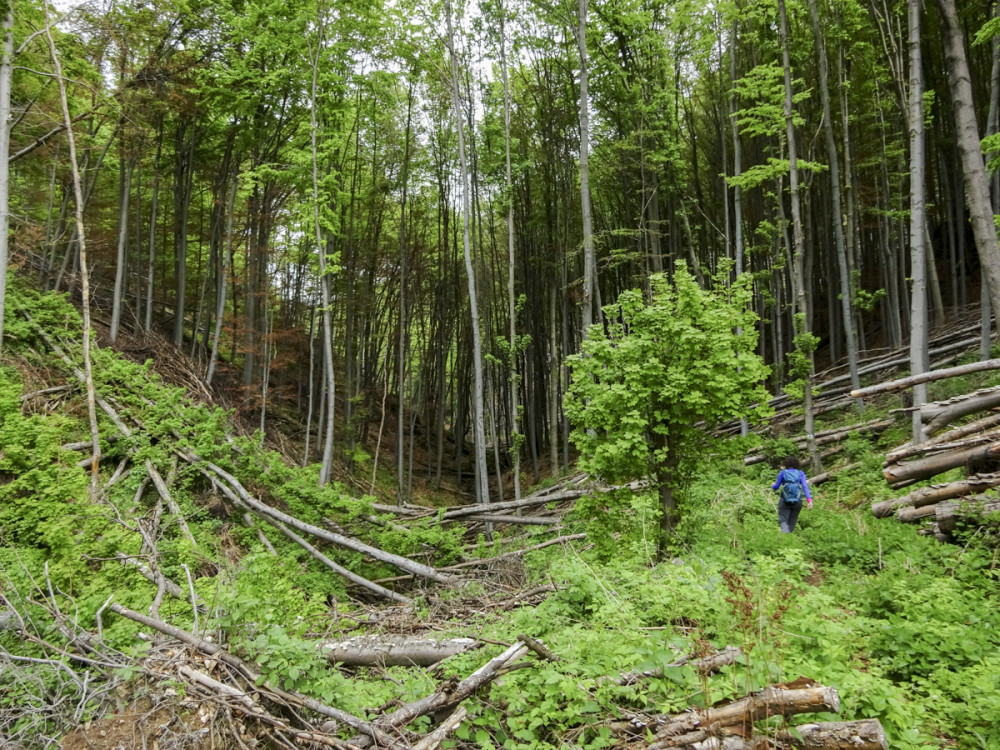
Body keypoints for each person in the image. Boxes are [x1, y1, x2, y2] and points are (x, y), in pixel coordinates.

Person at [771, 456, 812, 533]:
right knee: (792, 522)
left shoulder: (783, 473)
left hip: (784, 501)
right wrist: (809, 500)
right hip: (797, 501)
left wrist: (772, 485)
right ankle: (789, 537)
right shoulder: (800, 473)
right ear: (797, 464)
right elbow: (805, 486)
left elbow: (776, 487)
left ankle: (784, 538)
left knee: (783, 520)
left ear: (786, 464)